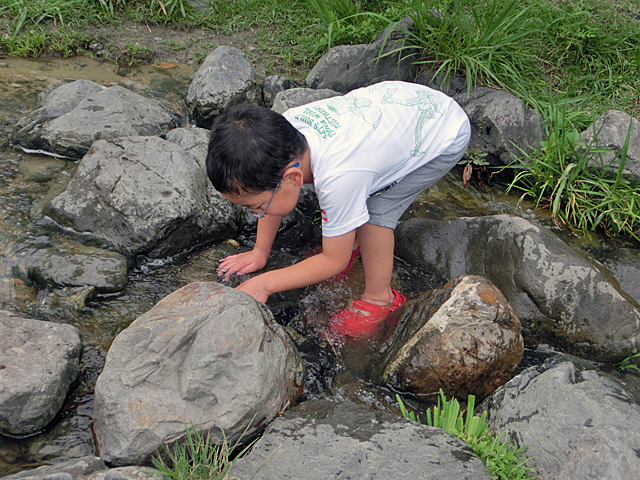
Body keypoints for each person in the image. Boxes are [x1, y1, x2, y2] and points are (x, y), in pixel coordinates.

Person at [206, 80, 470, 338]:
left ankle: (381, 298)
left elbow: (334, 261)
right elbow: (272, 199)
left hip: (442, 131)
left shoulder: (339, 177)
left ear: (293, 179)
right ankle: (347, 239)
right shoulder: (281, 138)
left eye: (257, 207)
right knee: (349, 199)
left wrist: (264, 283)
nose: (257, 214)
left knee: (376, 212)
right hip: (397, 107)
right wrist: (260, 252)